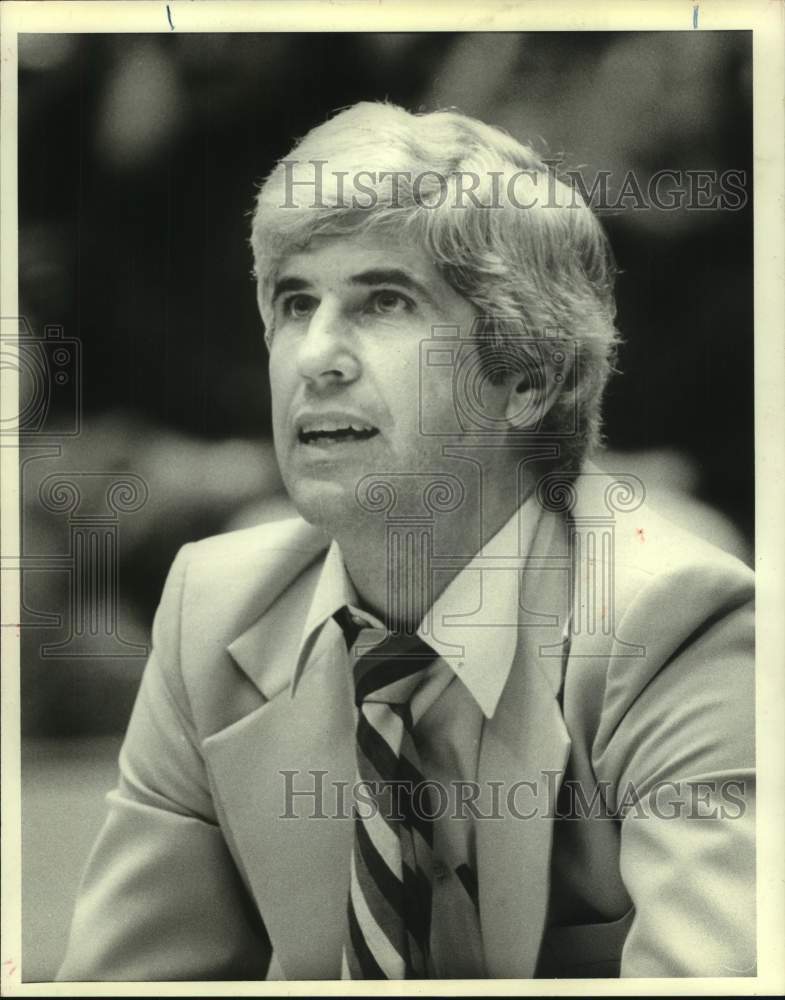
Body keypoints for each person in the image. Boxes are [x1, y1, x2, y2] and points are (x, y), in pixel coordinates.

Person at [58, 102, 755, 981]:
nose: (316, 356)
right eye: (295, 300)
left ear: (525, 380)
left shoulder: (675, 622)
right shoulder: (214, 610)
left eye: (384, 302)